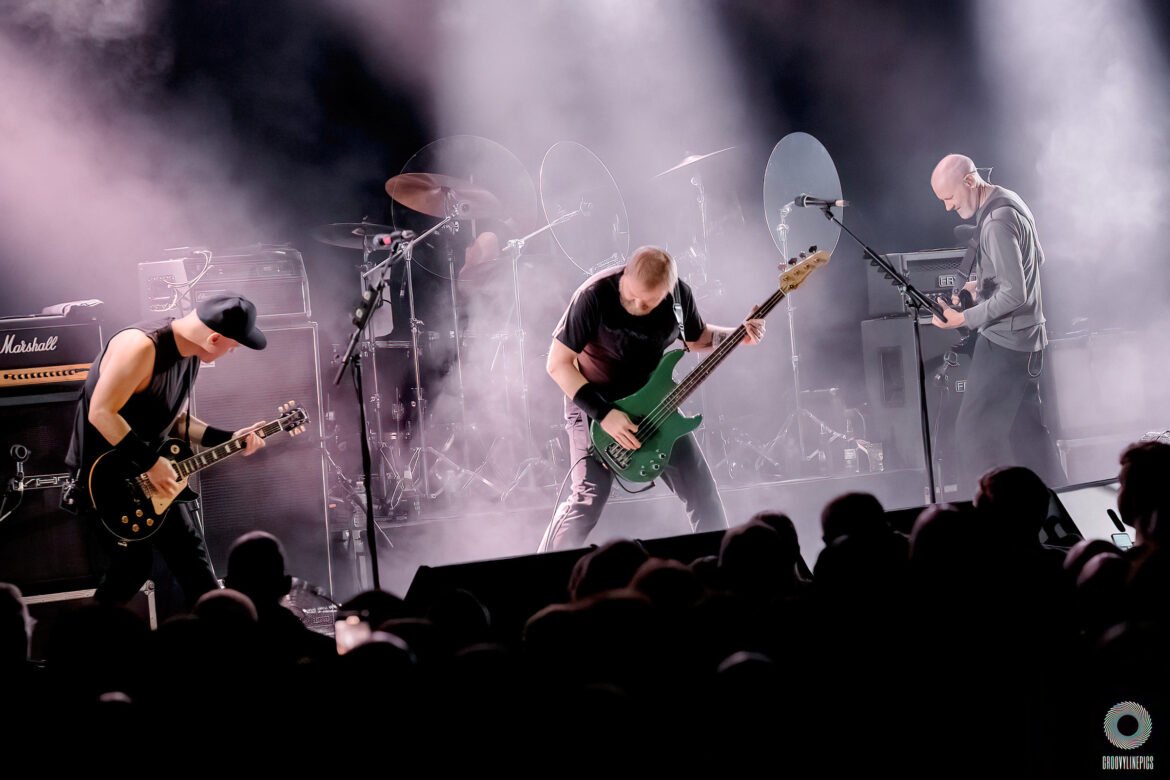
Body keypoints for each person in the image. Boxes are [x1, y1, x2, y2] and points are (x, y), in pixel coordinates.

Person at [537, 246, 765, 552]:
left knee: (702, 493)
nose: (637, 305)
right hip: (594, 402)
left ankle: (718, 567)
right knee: (588, 498)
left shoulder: (680, 297)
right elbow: (558, 364)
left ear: (667, 291)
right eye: (631, 296)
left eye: (648, 302)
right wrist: (604, 414)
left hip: (651, 405)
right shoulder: (593, 295)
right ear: (625, 275)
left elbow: (697, 337)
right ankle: (548, 571)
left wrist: (738, 335)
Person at [65, 294, 268, 608]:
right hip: (106, 481)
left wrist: (230, 438)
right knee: (131, 569)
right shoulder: (140, 346)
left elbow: (174, 419)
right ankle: (77, 637)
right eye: (235, 345)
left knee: (196, 570)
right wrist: (150, 463)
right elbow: (101, 413)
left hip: (150, 474)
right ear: (214, 338)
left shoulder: (192, 353)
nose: (234, 351)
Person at [929, 154, 1063, 494]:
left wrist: (964, 317)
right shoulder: (1010, 199)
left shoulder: (994, 223)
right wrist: (981, 284)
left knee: (972, 435)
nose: (947, 207)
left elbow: (1015, 293)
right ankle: (1061, 505)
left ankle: (984, 514)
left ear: (969, 181)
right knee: (1029, 437)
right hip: (1030, 343)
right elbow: (1036, 259)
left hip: (1006, 344)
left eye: (949, 197)